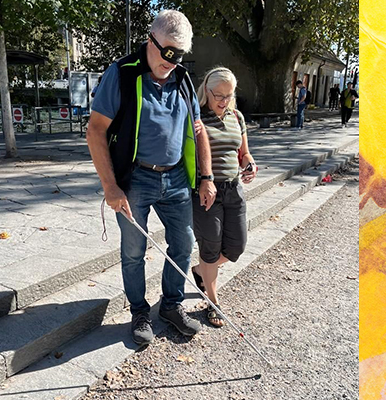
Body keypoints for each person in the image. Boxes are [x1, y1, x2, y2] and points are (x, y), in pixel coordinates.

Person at [86, 10, 216, 346]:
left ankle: (171, 305)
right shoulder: (123, 74)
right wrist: (110, 185)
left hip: (175, 178)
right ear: (151, 41)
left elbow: (199, 131)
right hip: (135, 179)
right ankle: (139, 310)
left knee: (184, 244)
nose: (170, 63)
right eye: (166, 53)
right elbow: (96, 130)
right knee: (133, 249)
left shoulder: (183, 79)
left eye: (179, 57)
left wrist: (206, 176)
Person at [191, 67, 258, 327]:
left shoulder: (237, 116)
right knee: (210, 249)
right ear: (206, 90)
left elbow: (244, 152)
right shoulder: (196, 118)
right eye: (218, 95)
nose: (223, 100)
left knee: (236, 247)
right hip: (206, 190)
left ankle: (200, 271)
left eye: (228, 95)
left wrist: (249, 163)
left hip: (233, 189)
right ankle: (213, 302)